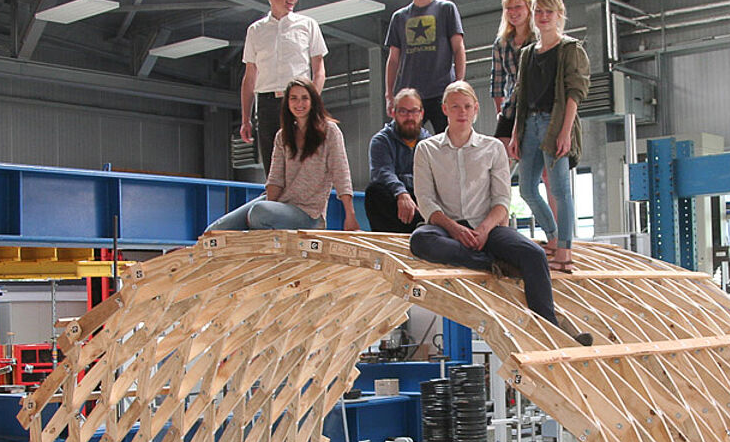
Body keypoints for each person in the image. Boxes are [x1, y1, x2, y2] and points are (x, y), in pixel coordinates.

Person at [410, 81, 589, 345]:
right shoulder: (427, 149)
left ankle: (550, 327)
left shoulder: (493, 148)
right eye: (456, 106)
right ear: (444, 109)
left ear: (476, 110)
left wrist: (483, 230)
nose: (462, 112)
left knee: (535, 254)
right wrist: (455, 229)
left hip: (489, 228)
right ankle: (487, 263)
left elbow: (502, 200)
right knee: (420, 240)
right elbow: (425, 201)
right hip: (446, 229)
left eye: (467, 106)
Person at [208, 78, 357, 232]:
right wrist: (270, 207)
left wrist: (350, 215)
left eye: (304, 98)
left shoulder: (329, 131)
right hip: (280, 206)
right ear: (287, 103)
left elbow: (341, 173)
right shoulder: (283, 135)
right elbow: (275, 178)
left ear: (313, 101)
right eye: (294, 98)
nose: (299, 104)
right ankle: (189, 253)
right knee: (216, 229)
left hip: (308, 213)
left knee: (259, 213)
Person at [509, 0, 589, 273]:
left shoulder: (570, 49)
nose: (543, 17)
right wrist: (517, 132)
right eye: (538, 12)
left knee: (559, 188)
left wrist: (565, 132)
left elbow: (574, 93)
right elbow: (521, 95)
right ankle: (553, 238)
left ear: (559, 15)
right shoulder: (528, 54)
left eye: (548, 12)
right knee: (527, 188)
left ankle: (565, 251)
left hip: (554, 123)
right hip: (530, 123)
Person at [240, 0, 327, 170]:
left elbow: (319, 69)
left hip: (298, 102)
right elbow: (250, 77)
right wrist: (245, 119)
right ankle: (275, 201)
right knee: (273, 167)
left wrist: (311, 101)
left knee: (300, 162)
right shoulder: (255, 30)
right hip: (266, 104)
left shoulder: (308, 25)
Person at [384, 0, 465, 135]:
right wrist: (389, 95)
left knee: (448, 143)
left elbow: (458, 49)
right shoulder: (399, 17)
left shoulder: (446, 9)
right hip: (411, 95)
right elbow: (393, 59)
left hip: (442, 92)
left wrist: (459, 84)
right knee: (406, 145)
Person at [365, 88, 431, 233]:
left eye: (414, 111)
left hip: (421, 199)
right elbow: (383, 172)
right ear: (393, 113)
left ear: (422, 114)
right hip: (395, 201)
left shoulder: (430, 143)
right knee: (374, 191)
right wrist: (402, 193)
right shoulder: (381, 141)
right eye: (403, 112)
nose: (409, 117)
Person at [490, 0, 533, 143]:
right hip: (511, 106)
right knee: (501, 147)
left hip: (534, 104)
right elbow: (497, 81)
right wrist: (499, 110)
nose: (513, 12)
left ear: (529, 8)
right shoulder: (501, 43)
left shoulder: (538, 40)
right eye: (509, 8)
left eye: (518, 7)